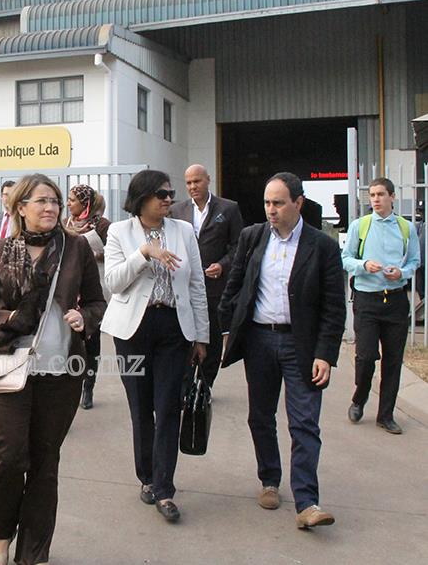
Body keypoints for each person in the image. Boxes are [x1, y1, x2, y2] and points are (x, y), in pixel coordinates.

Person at [0, 173, 105, 565]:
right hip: (8, 367)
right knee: (9, 456)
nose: (50, 208)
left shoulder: (76, 249)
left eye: (55, 202)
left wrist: (85, 317)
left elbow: (97, 301)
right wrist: (8, 317)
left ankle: (34, 552)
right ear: (20, 207)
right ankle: (0, 536)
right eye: (42, 201)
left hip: (60, 372)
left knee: (45, 463)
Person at [219, 172, 345, 530]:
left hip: (300, 345)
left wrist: (325, 354)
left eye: (278, 203)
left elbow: (334, 307)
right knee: (260, 416)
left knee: (305, 421)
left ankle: (307, 502)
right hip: (259, 340)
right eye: (266, 203)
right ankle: (270, 480)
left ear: (298, 203)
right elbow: (236, 284)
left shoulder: (322, 246)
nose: (270, 210)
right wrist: (226, 328)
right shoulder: (252, 237)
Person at [100, 169, 208, 523]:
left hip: (174, 328)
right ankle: (146, 477)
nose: (168, 200)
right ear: (141, 197)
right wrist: (144, 253)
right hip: (133, 330)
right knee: (140, 407)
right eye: (161, 194)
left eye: (170, 194)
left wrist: (201, 335)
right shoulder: (119, 232)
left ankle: (164, 488)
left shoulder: (184, 231)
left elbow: (195, 286)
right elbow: (114, 282)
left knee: (169, 407)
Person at [341, 177, 420, 434]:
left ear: (392, 197)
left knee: (393, 360)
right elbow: (345, 258)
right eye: (372, 195)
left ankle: (386, 414)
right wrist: (364, 265)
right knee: (365, 357)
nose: (375, 199)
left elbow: (415, 261)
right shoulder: (360, 226)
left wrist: (402, 273)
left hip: (395, 300)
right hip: (367, 299)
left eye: (380, 194)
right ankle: (359, 397)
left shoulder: (406, 228)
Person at [169, 164, 243, 388]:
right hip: (185, 286)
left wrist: (222, 265)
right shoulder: (177, 211)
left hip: (215, 287)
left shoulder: (228, 209)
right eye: (189, 182)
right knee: (184, 335)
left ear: (208, 180)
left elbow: (238, 245)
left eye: (197, 181)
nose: (192, 186)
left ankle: (205, 384)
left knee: (210, 337)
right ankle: (185, 384)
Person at [65, 183, 111, 409]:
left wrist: (95, 255)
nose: (68, 203)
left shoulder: (102, 225)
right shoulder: (65, 224)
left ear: (85, 203)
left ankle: (88, 386)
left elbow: (115, 252)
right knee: (70, 340)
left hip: (93, 289)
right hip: (70, 290)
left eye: (72, 199)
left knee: (91, 339)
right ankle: (71, 384)